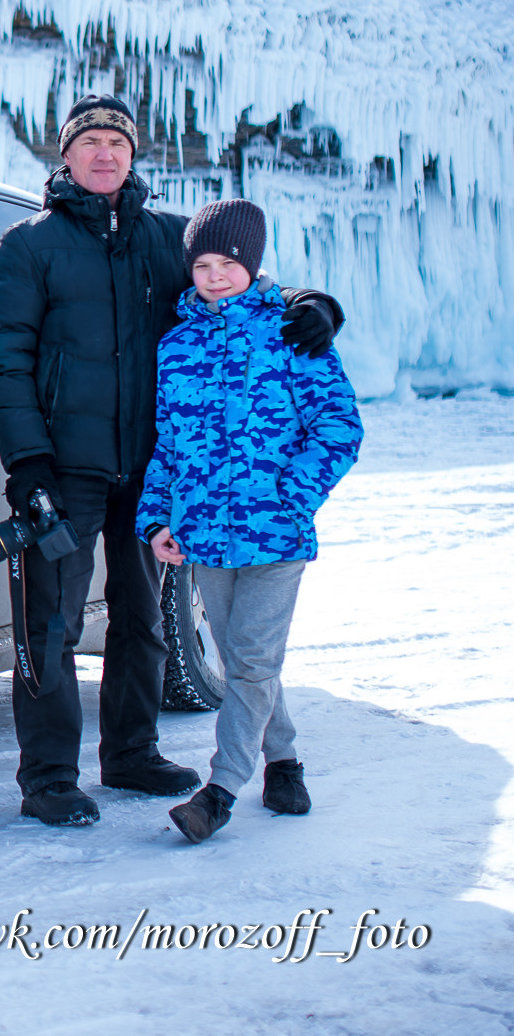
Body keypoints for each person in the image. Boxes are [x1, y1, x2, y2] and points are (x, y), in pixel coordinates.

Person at [0, 95, 344, 827]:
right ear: (67, 157)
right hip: (66, 467)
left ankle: (132, 753)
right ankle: (48, 776)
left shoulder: (169, 241)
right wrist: (28, 462)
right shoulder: (29, 246)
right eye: (90, 143)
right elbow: (3, 362)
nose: (104, 154)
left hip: (149, 468)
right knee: (50, 622)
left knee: (142, 618)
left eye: (117, 141)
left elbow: (241, 288)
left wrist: (316, 304)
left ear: (133, 154)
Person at [137, 200, 363, 843]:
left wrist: (292, 494)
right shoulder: (176, 346)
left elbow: (339, 428)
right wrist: (158, 520)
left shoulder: (291, 331)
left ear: (252, 262)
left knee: (252, 663)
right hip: (205, 536)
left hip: (277, 534)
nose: (214, 275)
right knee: (246, 661)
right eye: (202, 264)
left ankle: (221, 791)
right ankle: (284, 759)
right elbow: (169, 446)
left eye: (228, 262)